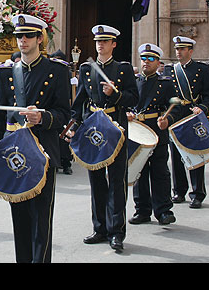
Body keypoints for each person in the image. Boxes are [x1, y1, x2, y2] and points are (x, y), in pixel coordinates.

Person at [0, 14, 71, 263]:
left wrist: (43, 118)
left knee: (41, 220)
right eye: (19, 35)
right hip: (15, 155)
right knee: (19, 220)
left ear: (40, 38)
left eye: (28, 35)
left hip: (41, 153)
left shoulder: (56, 71)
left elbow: (64, 113)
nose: (22, 40)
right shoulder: (6, 72)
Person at [65, 24, 138, 252]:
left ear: (114, 44)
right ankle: (100, 228)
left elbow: (134, 98)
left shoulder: (123, 68)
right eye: (98, 41)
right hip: (93, 131)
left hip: (115, 129)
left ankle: (117, 232)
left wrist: (115, 95)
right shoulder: (88, 68)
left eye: (105, 41)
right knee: (96, 180)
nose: (100, 45)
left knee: (117, 181)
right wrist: (73, 125)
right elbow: (79, 104)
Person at [126, 43, 177, 226]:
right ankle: (142, 210)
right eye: (143, 59)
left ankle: (163, 210)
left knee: (160, 172)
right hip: (138, 132)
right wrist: (127, 113)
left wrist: (167, 120)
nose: (146, 62)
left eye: (151, 59)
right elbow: (126, 103)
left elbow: (175, 107)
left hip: (156, 131)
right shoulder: (133, 82)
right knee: (139, 171)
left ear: (158, 62)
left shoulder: (165, 83)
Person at [167, 36, 209, 209]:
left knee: (196, 155)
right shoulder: (170, 70)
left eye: (182, 49)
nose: (178, 52)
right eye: (177, 49)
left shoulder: (202, 69)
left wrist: (202, 107)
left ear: (190, 51)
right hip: (176, 117)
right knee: (176, 155)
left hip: (192, 116)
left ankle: (197, 193)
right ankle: (179, 191)